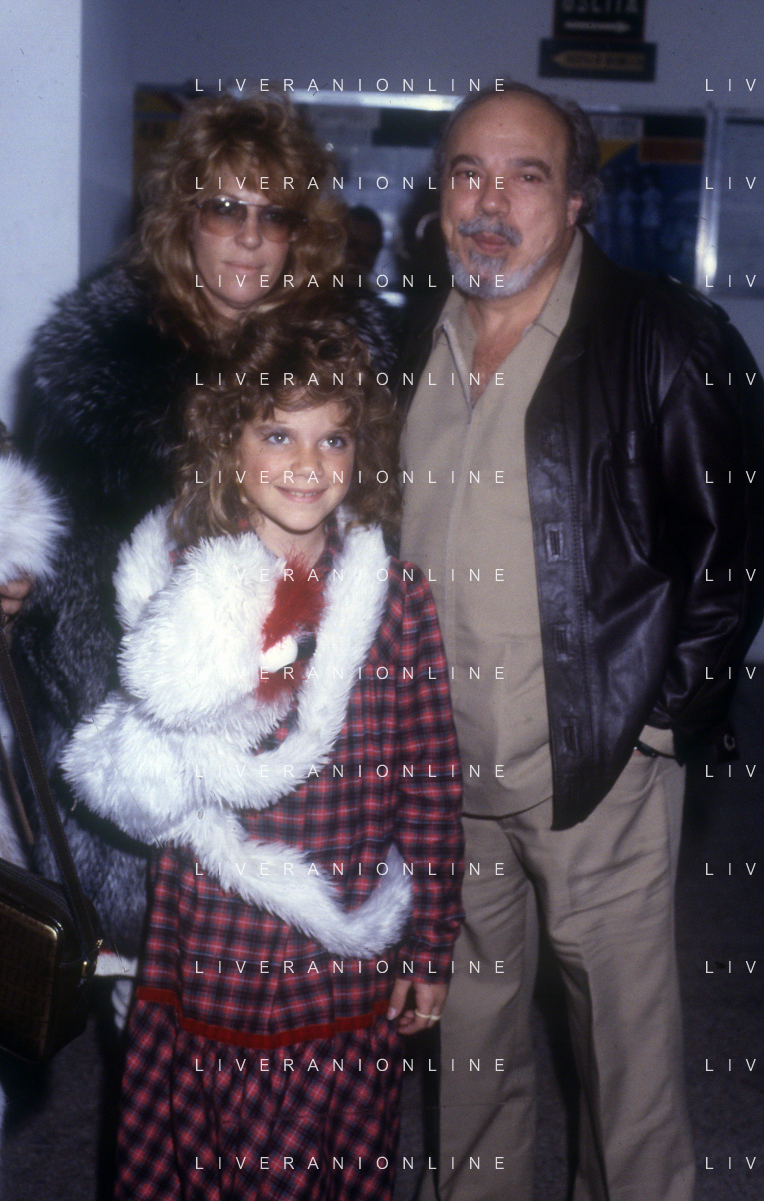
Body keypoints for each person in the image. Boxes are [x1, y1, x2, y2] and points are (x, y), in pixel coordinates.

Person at [397, 81, 764, 1201]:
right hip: (444, 774)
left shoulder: (661, 335)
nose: (489, 202)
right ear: (438, 193)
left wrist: (660, 719)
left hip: (596, 764)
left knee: (624, 1056)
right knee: (470, 1041)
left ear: (575, 202)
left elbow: (734, 539)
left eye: (526, 176)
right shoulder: (412, 334)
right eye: (467, 173)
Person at [62, 315, 464, 1201]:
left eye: (334, 438)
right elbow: (138, 770)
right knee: (209, 1153)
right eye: (278, 434)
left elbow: (431, 783)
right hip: (214, 935)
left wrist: (431, 945)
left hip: (338, 946)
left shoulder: (396, 601)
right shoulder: (182, 588)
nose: (307, 463)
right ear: (229, 448)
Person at [10, 94, 398, 961]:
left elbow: (376, 545)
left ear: (302, 231)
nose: (250, 238)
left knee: (289, 982)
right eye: (225, 208)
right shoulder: (93, 369)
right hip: (133, 746)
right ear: (184, 217)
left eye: (274, 214)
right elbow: (45, 560)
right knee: (156, 1001)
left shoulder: (348, 364)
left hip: (301, 740)